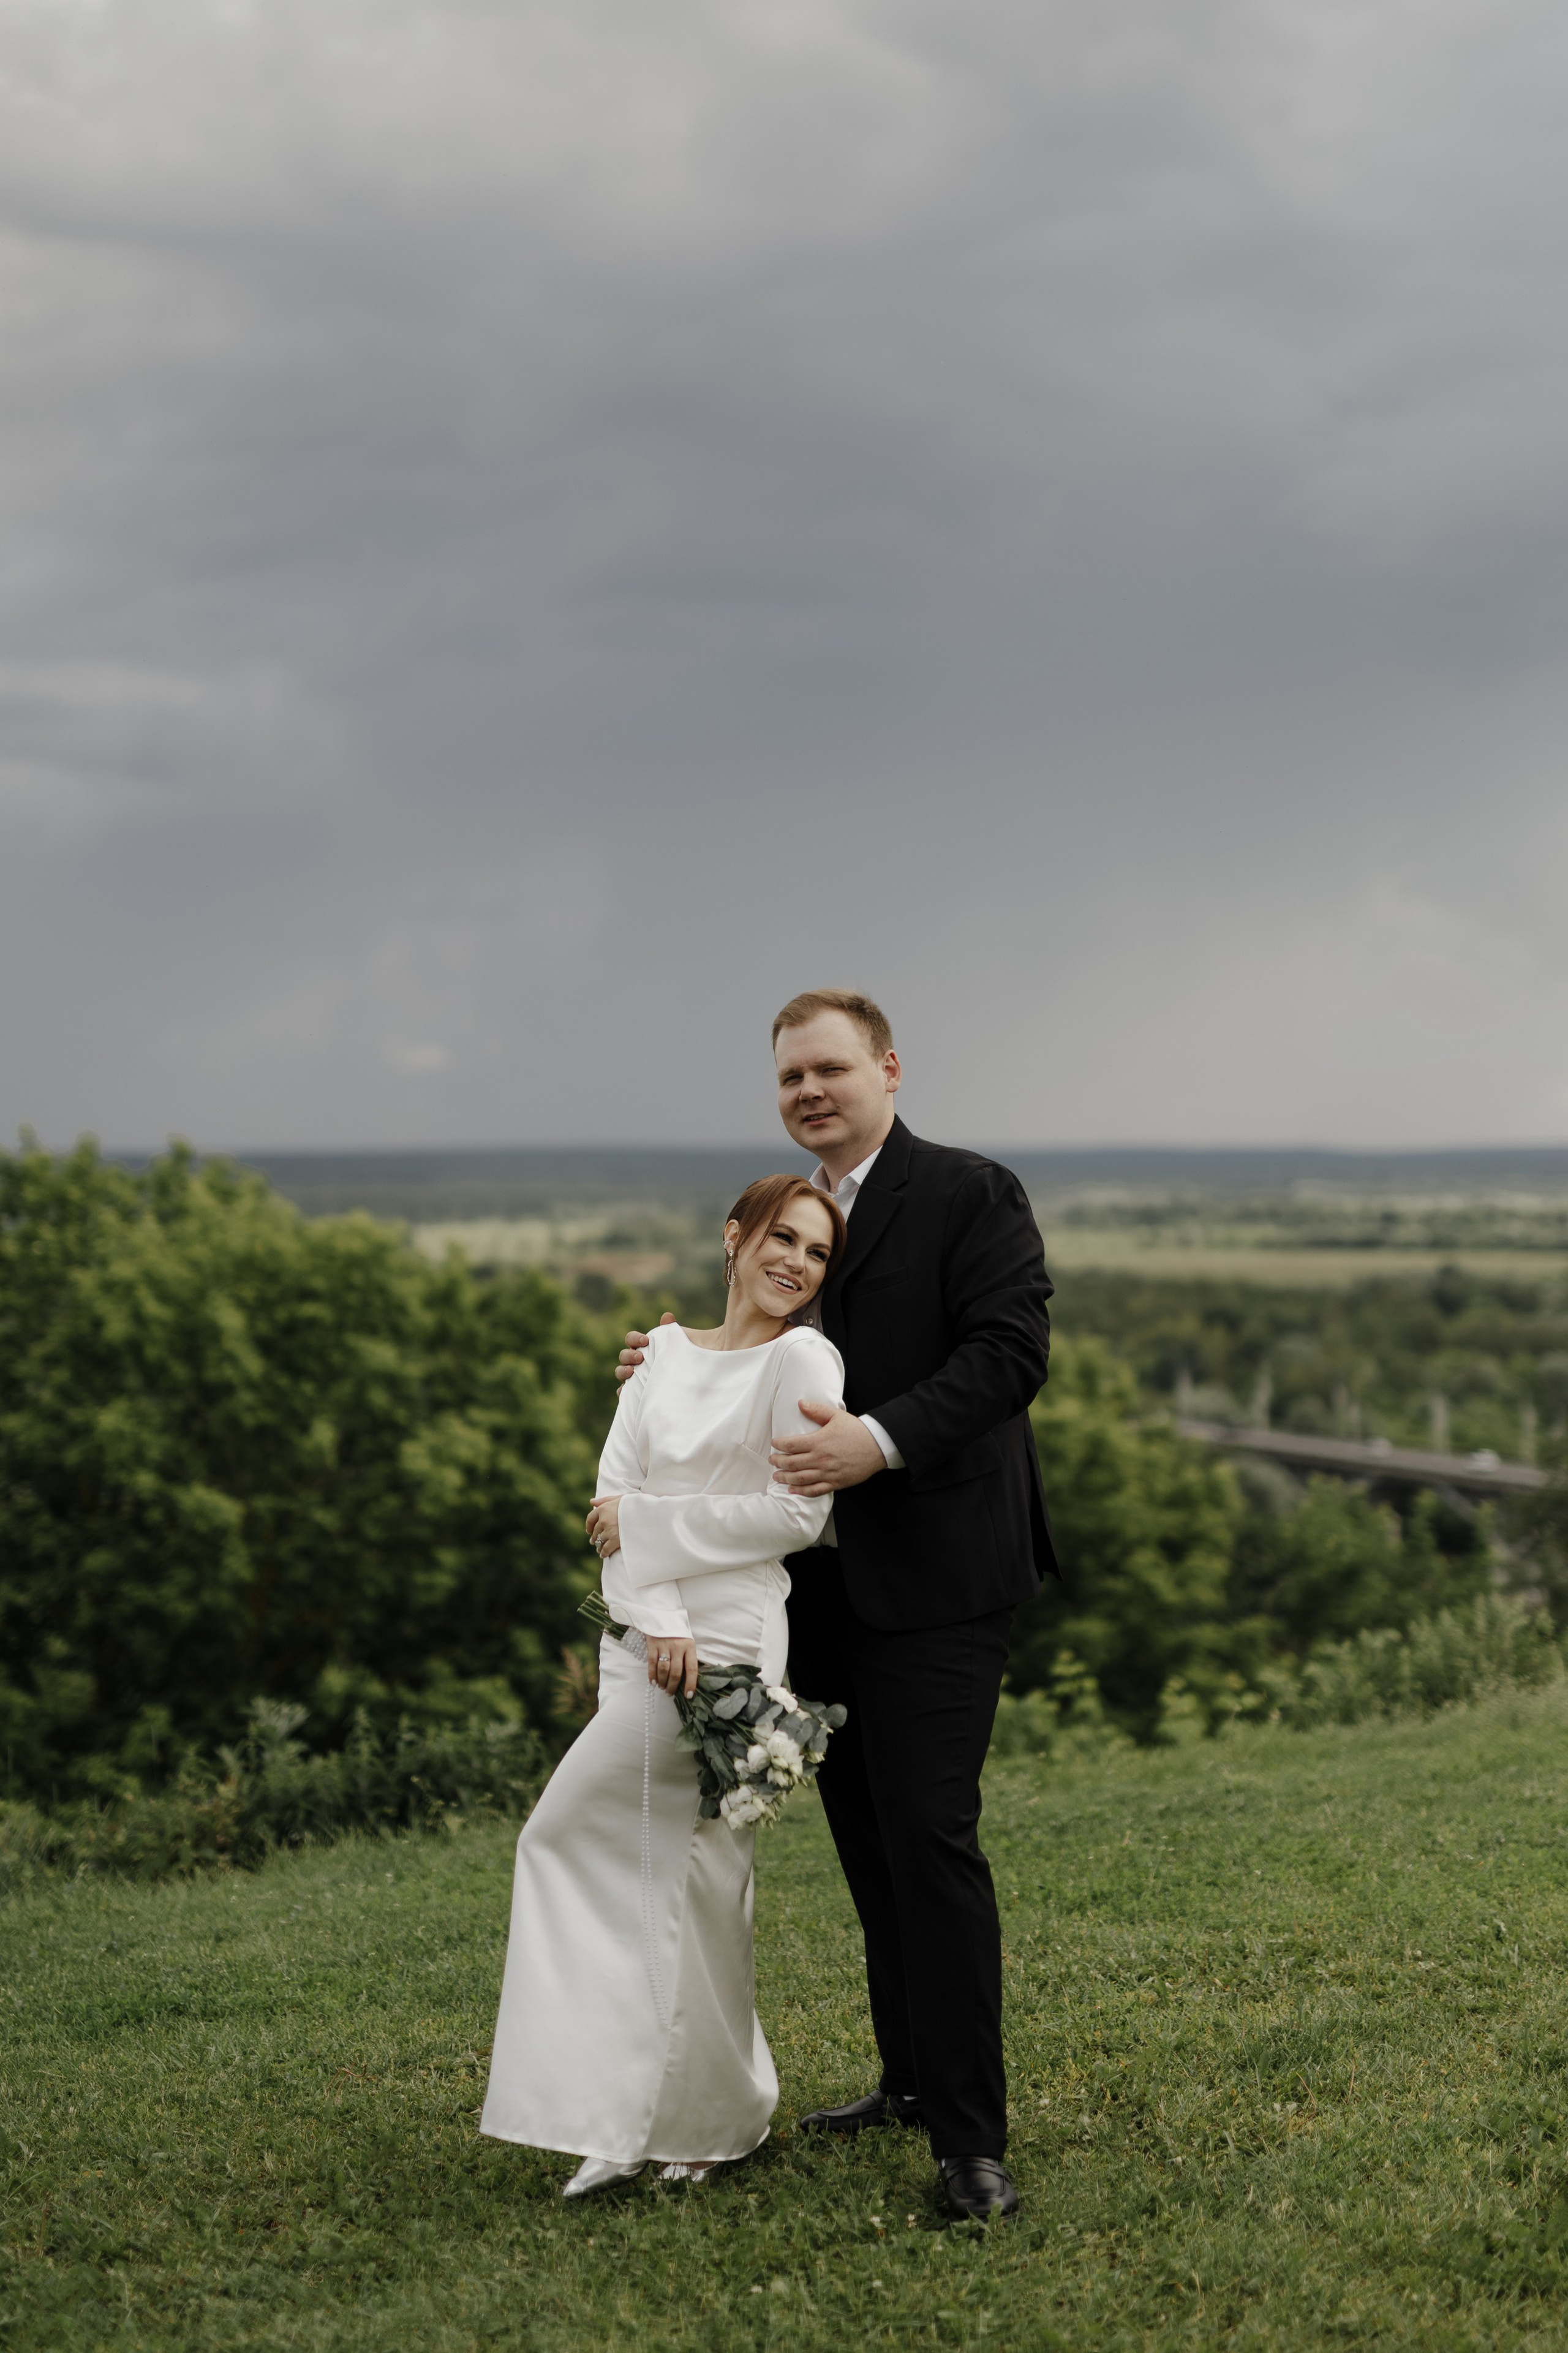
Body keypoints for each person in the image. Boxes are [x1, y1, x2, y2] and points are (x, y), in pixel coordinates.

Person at [617, 989, 1055, 2221]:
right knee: (865, 1842)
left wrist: (881, 1439)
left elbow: (1009, 1350)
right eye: (787, 1077)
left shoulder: (973, 1193)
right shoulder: (793, 1218)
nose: (806, 1091)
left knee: (929, 1840)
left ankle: (971, 2147)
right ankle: (907, 2078)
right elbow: (755, 1352)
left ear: (887, 1069)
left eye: (827, 1069)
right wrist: (676, 1370)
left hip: (940, 1577)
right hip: (807, 1586)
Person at [480, 1174, 848, 2197]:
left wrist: (652, 1543)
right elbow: (611, 1498)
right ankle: (646, 2112)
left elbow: (797, 1514)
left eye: (817, 1253)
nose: (796, 1262)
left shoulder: (803, 1356)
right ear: (734, 1236)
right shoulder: (663, 1352)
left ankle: (697, 2114)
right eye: (782, 1236)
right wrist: (661, 1612)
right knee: (662, 1875)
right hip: (650, 1634)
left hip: (732, 1639)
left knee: (629, 1857)